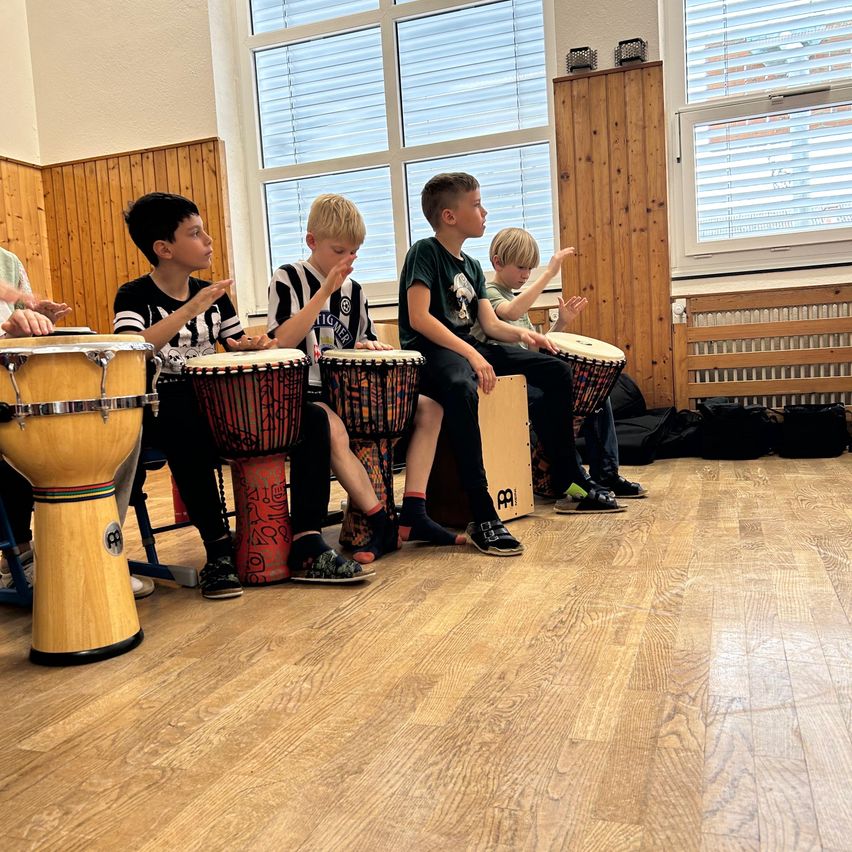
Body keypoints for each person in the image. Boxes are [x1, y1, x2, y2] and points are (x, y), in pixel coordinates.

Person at [115, 192, 366, 598]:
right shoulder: (135, 296)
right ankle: (217, 550)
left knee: (313, 418)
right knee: (183, 421)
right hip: (165, 404)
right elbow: (131, 347)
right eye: (195, 233)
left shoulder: (214, 296)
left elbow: (235, 344)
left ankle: (306, 539)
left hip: (216, 401)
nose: (208, 239)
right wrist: (190, 308)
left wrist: (251, 345)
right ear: (164, 249)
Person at [398, 172, 621, 557]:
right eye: (476, 204)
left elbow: (488, 324)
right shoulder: (425, 251)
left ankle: (570, 479)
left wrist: (525, 336)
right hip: (432, 352)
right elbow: (419, 319)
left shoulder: (469, 264)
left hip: (466, 346)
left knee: (556, 371)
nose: (484, 211)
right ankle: (482, 513)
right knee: (462, 387)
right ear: (450, 216)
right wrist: (470, 354)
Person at [267, 194, 464, 564]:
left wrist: (369, 345)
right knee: (333, 430)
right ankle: (381, 521)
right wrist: (324, 290)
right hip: (306, 392)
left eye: (354, 253)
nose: (347, 261)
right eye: (339, 250)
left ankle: (415, 513)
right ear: (312, 242)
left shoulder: (354, 292)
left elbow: (363, 339)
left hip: (351, 392)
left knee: (430, 409)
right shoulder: (289, 277)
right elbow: (282, 341)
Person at [0, 278, 151, 597]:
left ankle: (98, 548)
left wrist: (39, 325)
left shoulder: (7, 260)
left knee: (117, 426)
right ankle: (24, 559)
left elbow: (21, 321)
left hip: (20, 383)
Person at [475, 227, 645, 502]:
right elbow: (510, 312)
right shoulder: (490, 292)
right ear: (497, 262)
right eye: (521, 268)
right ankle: (575, 475)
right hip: (511, 385)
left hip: (532, 376)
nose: (526, 275)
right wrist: (549, 273)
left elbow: (534, 346)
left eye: (530, 269)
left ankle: (607, 473)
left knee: (597, 396)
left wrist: (561, 323)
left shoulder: (513, 297)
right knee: (552, 399)